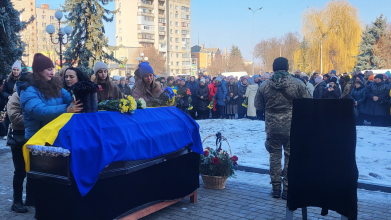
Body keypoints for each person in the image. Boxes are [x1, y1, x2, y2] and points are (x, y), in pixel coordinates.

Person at [255, 57, 309, 200]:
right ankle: (287, 189)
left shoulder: (265, 85)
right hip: (292, 126)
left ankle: (275, 188)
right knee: (290, 156)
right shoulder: (297, 83)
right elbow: (308, 103)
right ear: (287, 67)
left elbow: (258, 105)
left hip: (272, 126)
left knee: (274, 156)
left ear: (273, 68)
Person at [20, 53, 82, 140]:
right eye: (49, 70)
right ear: (39, 71)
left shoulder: (55, 86)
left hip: (53, 136)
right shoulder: (28, 90)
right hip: (37, 139)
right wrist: (66, 109)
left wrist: (78, 93)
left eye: (52, 69)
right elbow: (39, 111)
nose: (52, 73)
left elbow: (69, 99)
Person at [7, 72, 34, 213]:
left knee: (32, 169)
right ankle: (16, 201)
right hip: (18, 137)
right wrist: (34, 121)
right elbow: (15, 117)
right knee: (20, 171)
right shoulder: (16, 97)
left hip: (32, 137)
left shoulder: (33, 96)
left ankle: (30, 198)